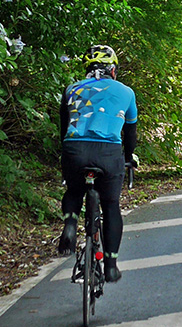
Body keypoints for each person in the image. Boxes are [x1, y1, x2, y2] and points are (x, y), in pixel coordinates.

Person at [57, 44, 137, 283]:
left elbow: (63, 127)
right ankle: (111, 265)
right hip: (108, 152)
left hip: (74, 148)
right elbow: (130, 133)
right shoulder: (126, 92)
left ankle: (70, 224)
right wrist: (129, 157)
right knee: (111, 205)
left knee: (73, 190)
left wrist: (66, 152)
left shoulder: (71, 89)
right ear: (113, 70)